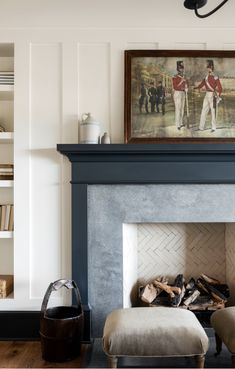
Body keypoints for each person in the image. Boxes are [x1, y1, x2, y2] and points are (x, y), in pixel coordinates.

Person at [194, 60, 222, 132]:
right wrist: (197, 87)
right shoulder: (206, 77)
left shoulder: (215, 77)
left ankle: (213, 127)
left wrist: (217, 95)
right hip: (207, 95)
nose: (208, 69)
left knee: (213, 111)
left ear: (212, 67)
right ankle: (201, 127)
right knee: (204, 110)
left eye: (209, 67)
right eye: (208, 68)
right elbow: (202, 84)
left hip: (213, 95)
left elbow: (220, 88)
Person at [172, 61, 188, 130]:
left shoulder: (184, 76)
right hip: (177, 93)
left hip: (183, 93)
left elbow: (187, 84)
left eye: (182, 68)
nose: (181, 70)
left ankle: (181, 122)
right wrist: (182, 81)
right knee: (178, 109)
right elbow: (175, 87)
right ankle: (177, 124)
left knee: (182, 109)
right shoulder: (175, 77)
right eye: (180, 68)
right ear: (178, 69)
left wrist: (187, 88)